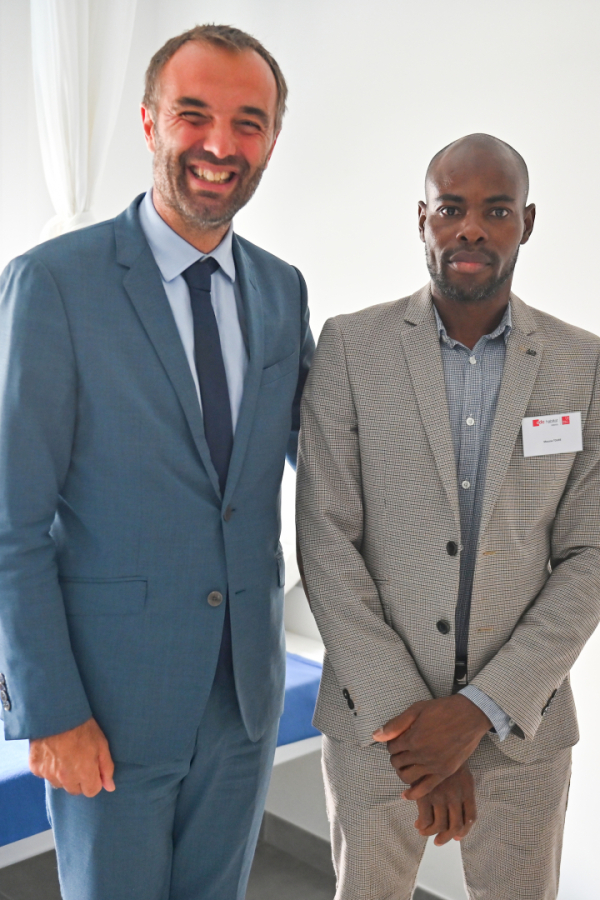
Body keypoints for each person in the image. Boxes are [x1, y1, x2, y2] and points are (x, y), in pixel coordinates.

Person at [0, 24, 313, 900]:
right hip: (108, 703)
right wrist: (50, 710)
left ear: (273, 140)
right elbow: (11, 523)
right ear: (148, 124)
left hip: (245, 698)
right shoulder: (54, 282)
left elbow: (322, 468)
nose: (221, 146)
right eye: (194, 115)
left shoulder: (283, 288)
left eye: (248, 122)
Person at [296, 133, 600, 900]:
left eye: (495, 211)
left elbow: (591, 556)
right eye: (451, 209)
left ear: (525, 223)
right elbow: (325, 539)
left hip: (522, 727)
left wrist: (476, 715)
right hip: (375, 726)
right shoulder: (349, 347)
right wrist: (417, 731)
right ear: (421, 218)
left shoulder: (583, 364)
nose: (470, 228)